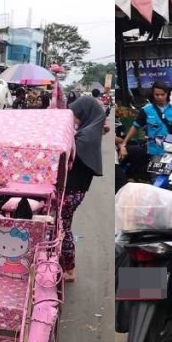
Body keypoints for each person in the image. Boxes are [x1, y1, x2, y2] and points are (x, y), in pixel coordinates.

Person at [61, 95, 105, 282]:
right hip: (75, 188)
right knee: (62, 227)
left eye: (76, 116)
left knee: (62, 228)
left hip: (73, 189)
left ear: (85, 114)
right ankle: (65, 266)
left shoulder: (85, 137)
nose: (74, 119)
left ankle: (69, 270)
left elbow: (68, 155)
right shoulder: (90, 131)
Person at [117, 81, 172, 160]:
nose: (160, 97)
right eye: (157, 95)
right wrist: (124, 143)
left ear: (167, 94)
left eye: (163, 94)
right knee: (157, 172)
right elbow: (135, 127)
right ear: (153, 94)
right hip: (155, 151)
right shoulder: (146, 110)